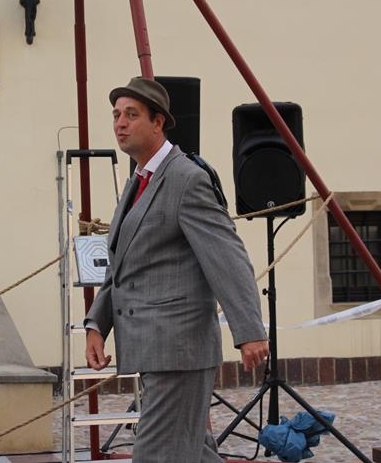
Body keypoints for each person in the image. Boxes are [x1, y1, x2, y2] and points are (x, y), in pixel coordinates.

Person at [85, 77, 269, 462]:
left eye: (131, 115)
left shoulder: (187, 179)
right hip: (153, 350)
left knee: (156, 454)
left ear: (158, 122)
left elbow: (227, 257)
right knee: (191, 453)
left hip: (179, 351)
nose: (120, 123)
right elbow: (121, 265)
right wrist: (96, 325)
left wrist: (250, 331)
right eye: (116, 115)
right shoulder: (138, 181)